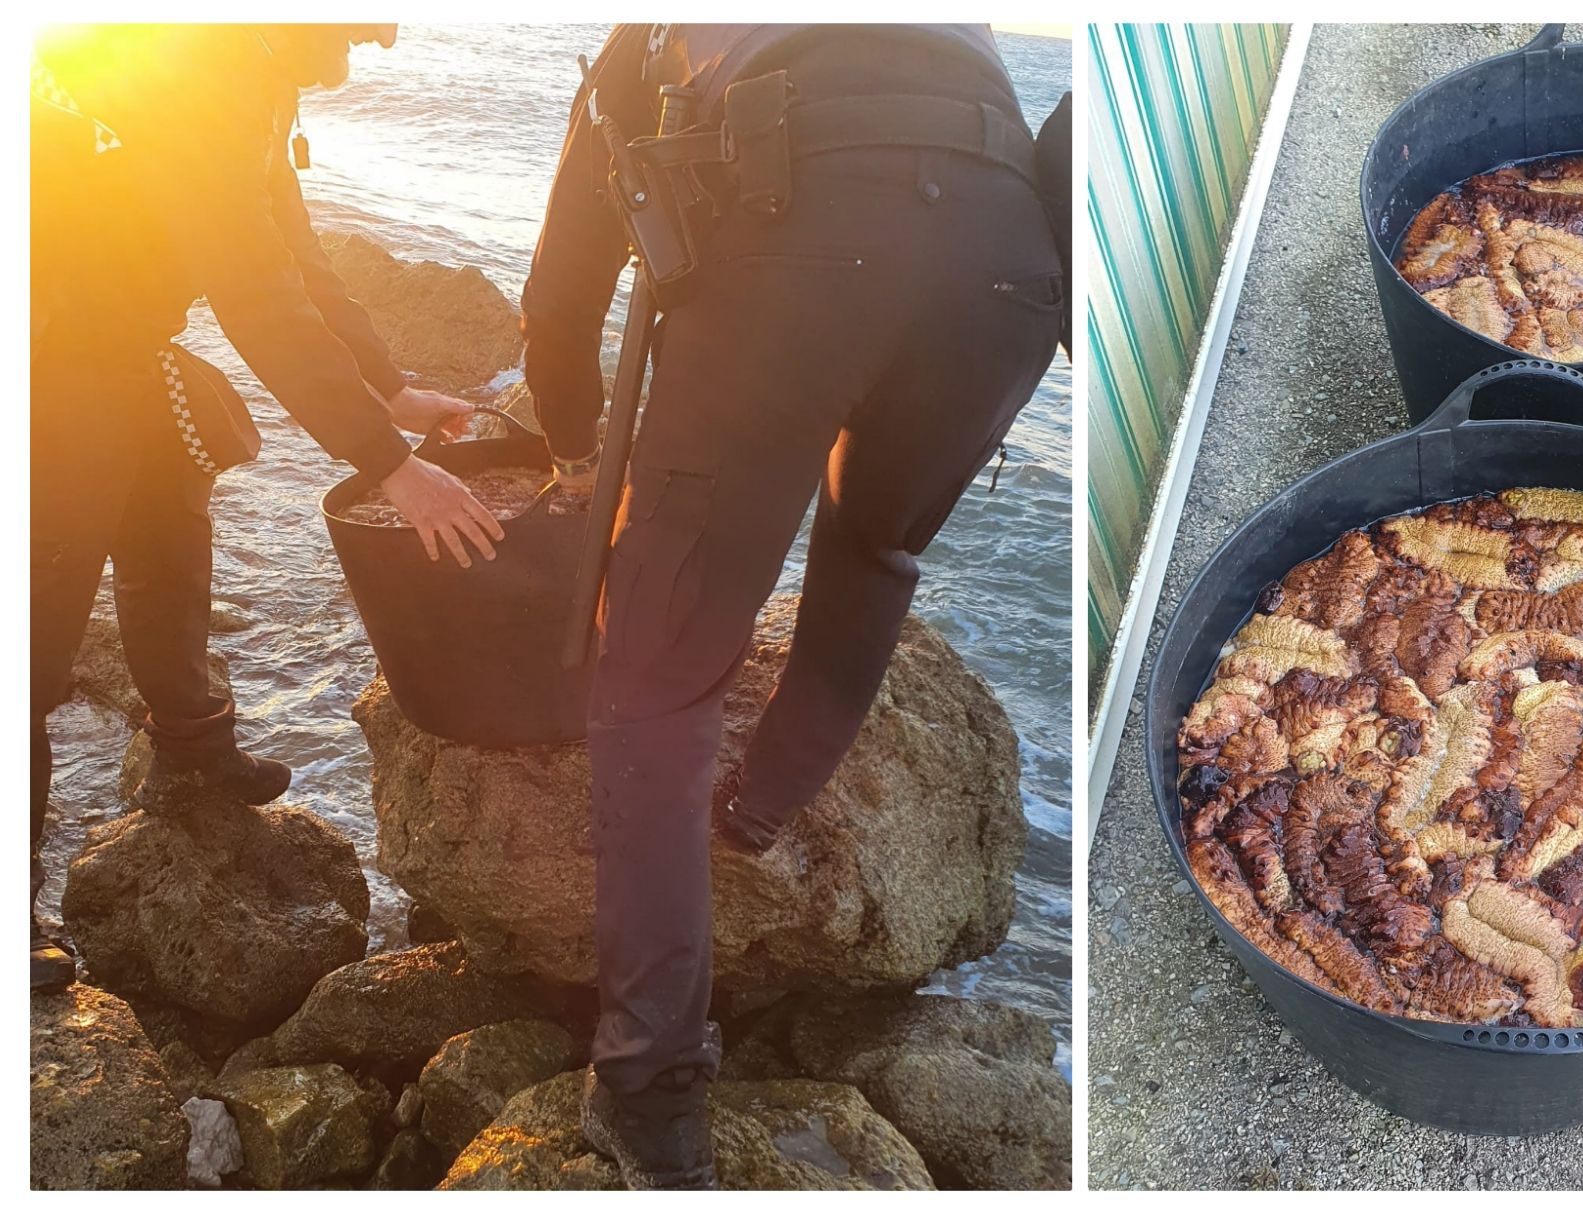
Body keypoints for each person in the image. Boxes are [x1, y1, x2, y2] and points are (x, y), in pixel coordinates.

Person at [521, 23, 1065, 1188]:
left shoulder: (647, 39)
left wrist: (577, 461)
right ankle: (758, 809)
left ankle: (651, 1092)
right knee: (872, 545)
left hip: (796, 241)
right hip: (1009, 270)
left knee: (656, 685)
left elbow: (559, 299)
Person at [29, 25, 505, 991]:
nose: (377, 37)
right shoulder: (194, 74)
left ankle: (194, 758)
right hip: (42, 347)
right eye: (359, 21)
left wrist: (388, 388)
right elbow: (254, 296)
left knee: (170, 544)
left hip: (126, 347)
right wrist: (388, 465)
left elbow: (294, 255)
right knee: (33, 623)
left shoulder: (258, 77)